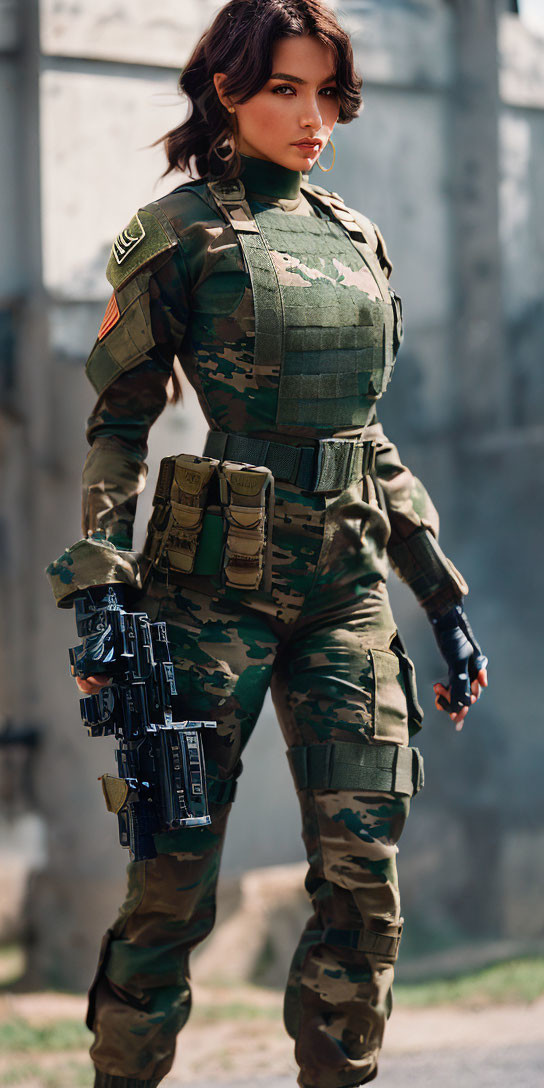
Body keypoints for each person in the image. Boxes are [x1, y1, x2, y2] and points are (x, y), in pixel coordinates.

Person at [46, 2, 488, 1086]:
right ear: (228, 93)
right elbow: (117, 420)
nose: (311, 116)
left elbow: (366, 440)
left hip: (346, 589)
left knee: (361, 874)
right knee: (174, 874)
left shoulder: (354, 237)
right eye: (283, 89)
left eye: (323, 92)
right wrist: (101, 578)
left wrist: (439, 594)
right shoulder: (177, 234)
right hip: (211, 591)